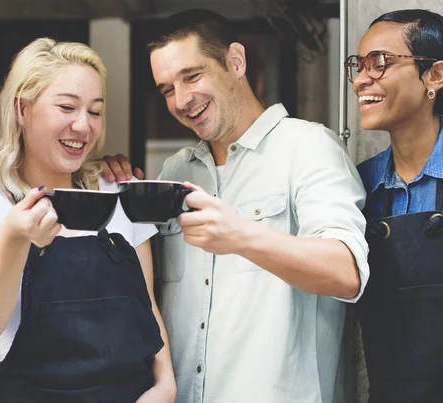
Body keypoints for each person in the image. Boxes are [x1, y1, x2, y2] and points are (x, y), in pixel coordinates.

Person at [102, 9, 370, 403]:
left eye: (192, 76)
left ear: (236, 62)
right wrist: (106, 183)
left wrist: (242, 235)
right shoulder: (175, 170)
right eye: (166, 89)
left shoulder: (309, 147)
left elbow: (347, 272)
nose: (181, 100)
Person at [0, 37, 176, 402]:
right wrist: (15, 237)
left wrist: (165, 385)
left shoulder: (119, 192)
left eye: (95, 111)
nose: (83, 126)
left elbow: (146, 307)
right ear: (22, 110)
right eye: (67, 107)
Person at [345, 9, 443, 403]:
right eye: (358, 65)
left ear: (434, 75)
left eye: (380, 63)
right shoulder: (359, 185)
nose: (360, 80)